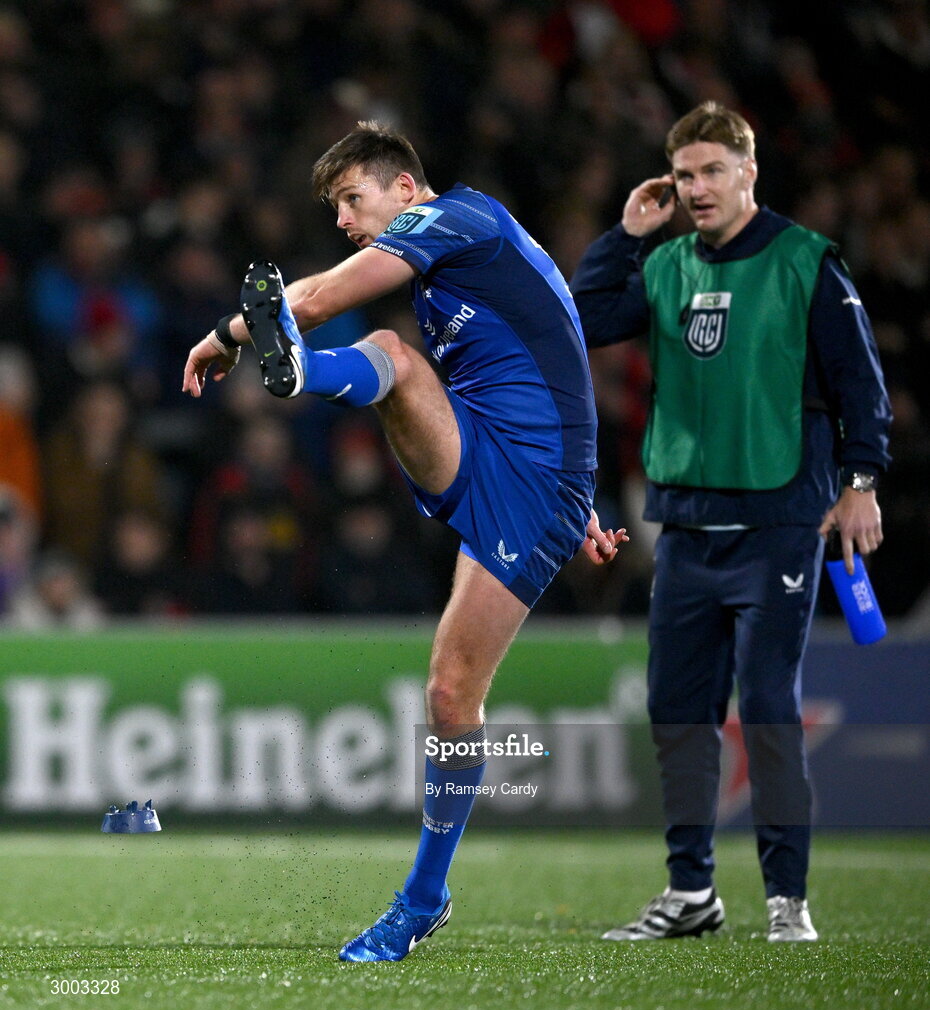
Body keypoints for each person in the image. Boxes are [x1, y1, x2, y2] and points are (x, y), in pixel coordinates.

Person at [182, 121, 625, 961]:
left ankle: (422, 897)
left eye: (353, 198)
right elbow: (554, 352)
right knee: (397, 357)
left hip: (532, 487)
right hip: (506, 456)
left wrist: (225, 335)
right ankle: (304, 370)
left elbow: (313, 298)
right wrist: (589, 498)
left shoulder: (457, 219)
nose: (345, 220)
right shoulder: (460, 264)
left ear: (406, 190)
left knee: (453, 697)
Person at [571, 101, 891, 943]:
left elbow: (862, 387)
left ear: (750, 172)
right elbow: (585, 320)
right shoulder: (666, 262)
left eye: (714, 171)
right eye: (684, 176)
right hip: (684, 529)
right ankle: (691, 893)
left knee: (770, 711)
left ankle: (788, 898)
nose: (698, 188)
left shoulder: (805, 263)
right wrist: (626, 236)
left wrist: (861, 480)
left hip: (778, 523)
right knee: (678, 712)